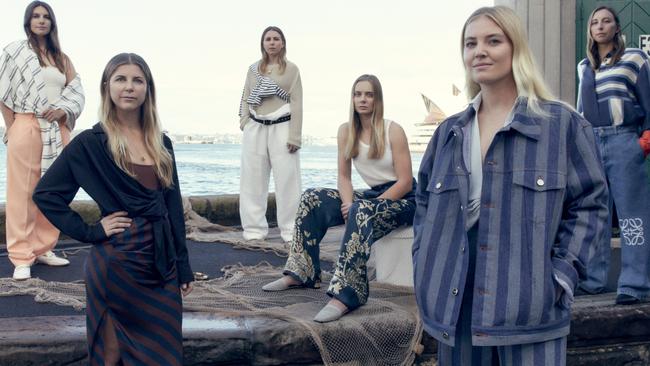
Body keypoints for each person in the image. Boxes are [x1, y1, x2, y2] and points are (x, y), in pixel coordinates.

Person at [412, 6, 608, 365]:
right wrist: (425, 267)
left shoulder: (561, 126)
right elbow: (424, 208)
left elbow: (591, 206)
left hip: (530, 311)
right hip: (456, 311)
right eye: (470, 43)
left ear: (516, 48)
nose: (479, 51)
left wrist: (561, 277)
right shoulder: (448, 134)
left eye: (493, 41)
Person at [33, 53, 193, 365]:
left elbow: (172, 208)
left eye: (137, 80)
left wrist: (183, 264)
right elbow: (46, 195)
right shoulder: (90, 144)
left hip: (161, 267)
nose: (129, 87)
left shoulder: (162, 143)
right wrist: (92, 231)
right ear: (107, 87)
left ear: (148, 89)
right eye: (120, 79)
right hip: (118, 264)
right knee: (112, 356)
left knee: (166, 354)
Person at [263, 74, 416, 323]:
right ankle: (302, 271)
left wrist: (364, 206)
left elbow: (405, 181)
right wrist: (348, 204)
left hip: (404, 199)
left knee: (363, 209)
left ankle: (347, 294)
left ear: (377, 99)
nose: (363, 99)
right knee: (313, 197)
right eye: (358, 94)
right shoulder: (346, 131)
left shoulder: (393, 130)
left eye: (369, 94)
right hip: (371, 194)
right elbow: (344, 178)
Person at [0, 0, 84, 280]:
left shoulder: (61, 58)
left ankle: (43, 248)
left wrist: (64, 110)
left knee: (52, 190)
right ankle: (22, 256)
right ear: (28, 21)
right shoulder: (15, 53)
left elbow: (77, 91)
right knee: (21, 193)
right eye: (35, 16)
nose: (41, 20)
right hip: (26, 124)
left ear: (52, 22)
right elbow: (2, 91)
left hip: (57, 128)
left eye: (46, 16)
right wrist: (12, 127)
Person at [576, 5, 650, 305]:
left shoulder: (634, 58)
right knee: (596, 216)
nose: (600, 26)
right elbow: (580, 112)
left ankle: (635, 283)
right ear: (590, 30)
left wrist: (643, 142)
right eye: (595, 22)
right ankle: (593, 281)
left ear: (617, 27)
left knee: (632, 217)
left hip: (623, 140)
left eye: (606, 21)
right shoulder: (584, 67)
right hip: (591, 143)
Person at [238, 26, 303, 242]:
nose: (272, 42)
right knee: (252, 180)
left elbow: (297, 102)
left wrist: (295, 135)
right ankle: (254, 230)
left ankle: (291, 230)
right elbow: (246, 96)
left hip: (282, 125)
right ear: (263, 43)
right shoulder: (253, 69)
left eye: (276, 39)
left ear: (283, 43)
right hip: (255, 126)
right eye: (268, 39)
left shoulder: (292, 69)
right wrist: (244, 122)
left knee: (287, 179)